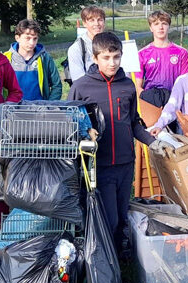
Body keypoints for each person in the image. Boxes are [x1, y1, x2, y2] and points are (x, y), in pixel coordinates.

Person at [68, 32, 155, 252]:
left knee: (122, 214)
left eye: (116, 57)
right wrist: (86, 131)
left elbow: (134, 121)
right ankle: (106, 262)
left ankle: (119, 259)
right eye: (106, 58)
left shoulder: (127, 85)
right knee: (110, 218)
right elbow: (71, 123)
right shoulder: (81, 87)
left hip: (126, 162)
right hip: (100, 165)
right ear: (95, 59)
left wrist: (153, 142)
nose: (112, 63)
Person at [135, 10, 188, 107]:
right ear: (151, 28)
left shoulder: (182, 53)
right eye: (156, 24)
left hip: (175, 103)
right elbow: (138, 86)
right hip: (151, 103)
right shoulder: (142, 54)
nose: (160, 27)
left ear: (169, 27)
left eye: (164, 23)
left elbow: (186, 84)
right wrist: (147, 102)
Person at [4, 19, 62, 101]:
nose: (31, 43)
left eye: (35, 39)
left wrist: (49, 105)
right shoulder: (5, 59)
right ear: (17, 38)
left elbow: (56, 85)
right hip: (12, 109)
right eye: (27, 38)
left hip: (40, 109)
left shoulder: (45, 58)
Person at [67, 6, 106, 83]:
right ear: (84, 23)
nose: (97, 24)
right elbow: (79, 81)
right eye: (92, 20)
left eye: (100, 20)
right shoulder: (76, 49)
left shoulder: (112, 43)